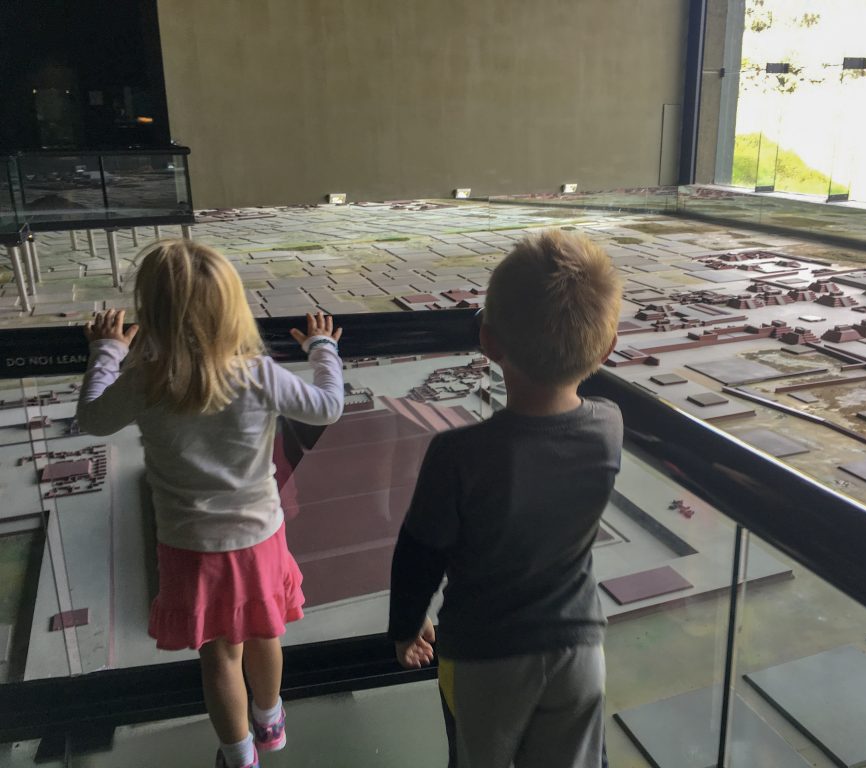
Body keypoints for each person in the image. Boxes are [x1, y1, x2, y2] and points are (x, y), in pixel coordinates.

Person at [76, 240, 345, 768]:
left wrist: (107, 351)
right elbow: (329, 408)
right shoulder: (258, 374)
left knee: (221, 655)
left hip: (189, 547)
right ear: (233, 307)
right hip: (260, 536)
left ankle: (239, 756)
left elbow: (92, 419)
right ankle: (271, 722)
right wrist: (322, 348)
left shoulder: (145, 381)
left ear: (151, 313)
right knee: (267, 631)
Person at [387, 230, 624, 768]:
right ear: (606, 350)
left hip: (483, 656)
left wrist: (405, 627)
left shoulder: (457, 454)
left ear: (488, 343)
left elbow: (419, 553)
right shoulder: (610, 426)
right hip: (579, 649)